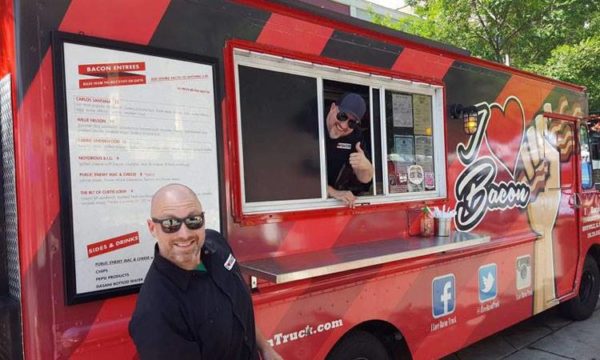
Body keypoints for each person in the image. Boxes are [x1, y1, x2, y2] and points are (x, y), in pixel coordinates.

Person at [129, 183, 281, 360]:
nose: (184, 234)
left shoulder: (217, 244)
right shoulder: (154, 315)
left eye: (193, 221)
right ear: (152, 228)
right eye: (171, 223)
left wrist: (266, 348)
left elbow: (239, 308)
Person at [325, 93, 374, 207]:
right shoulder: (311, 122)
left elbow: (365, 179)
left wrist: (366, 167)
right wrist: (333, 192)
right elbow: (292, 174)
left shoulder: (355, 136)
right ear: (333, 108)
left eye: (351, 123)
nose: (344, 125)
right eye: (342, 116)